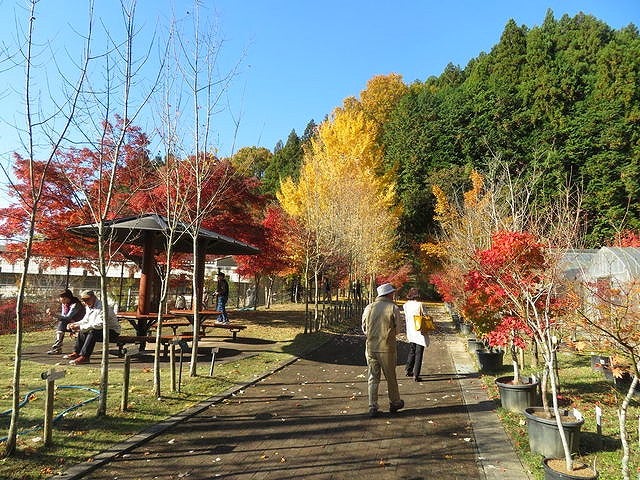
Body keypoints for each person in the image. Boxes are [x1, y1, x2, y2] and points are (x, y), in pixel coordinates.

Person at [361, 283, 404, 418]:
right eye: (392, 292)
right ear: (389, 294)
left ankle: (372, 405)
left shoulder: (369, 307)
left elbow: (364, 327)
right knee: (390, 377)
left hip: (371, 347)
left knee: (373, 377)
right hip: (387, 347)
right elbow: (398, 330)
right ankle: (395, 402)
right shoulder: (393, 308)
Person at [63, 290, 120, 365]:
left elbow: (100, 324)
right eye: (83, 300)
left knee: (92, 332)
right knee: (83, 331)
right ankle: (76, 353)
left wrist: (80, 326)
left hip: (111, 331)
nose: (85, 302)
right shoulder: (88, 307)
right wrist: (74, 324)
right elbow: (86, 320)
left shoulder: (103, 307)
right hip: (99, 329)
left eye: (87, 299)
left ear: (94, 297)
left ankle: (85, 357)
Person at [45, 289, 86, 355]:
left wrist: (54, 315)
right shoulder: (65, 304)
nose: (61, 300)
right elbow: (64, 316)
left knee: (63, 322)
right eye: (60, 298)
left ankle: (78, 349)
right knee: (62, 323)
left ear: (68, 298)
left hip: (80, 323)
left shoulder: (75, 304)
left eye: (63, 298)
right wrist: (54, 314)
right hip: (70, 322)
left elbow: (68, 317)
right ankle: (57, 348)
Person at [402, 287, 430, 382]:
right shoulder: (420, 305)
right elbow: (426, 316)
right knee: (419, 353)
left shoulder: (405, 305)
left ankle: (408, 369)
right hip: (419, 330)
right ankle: (416, 374)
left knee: (412, 350)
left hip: (410, 329)